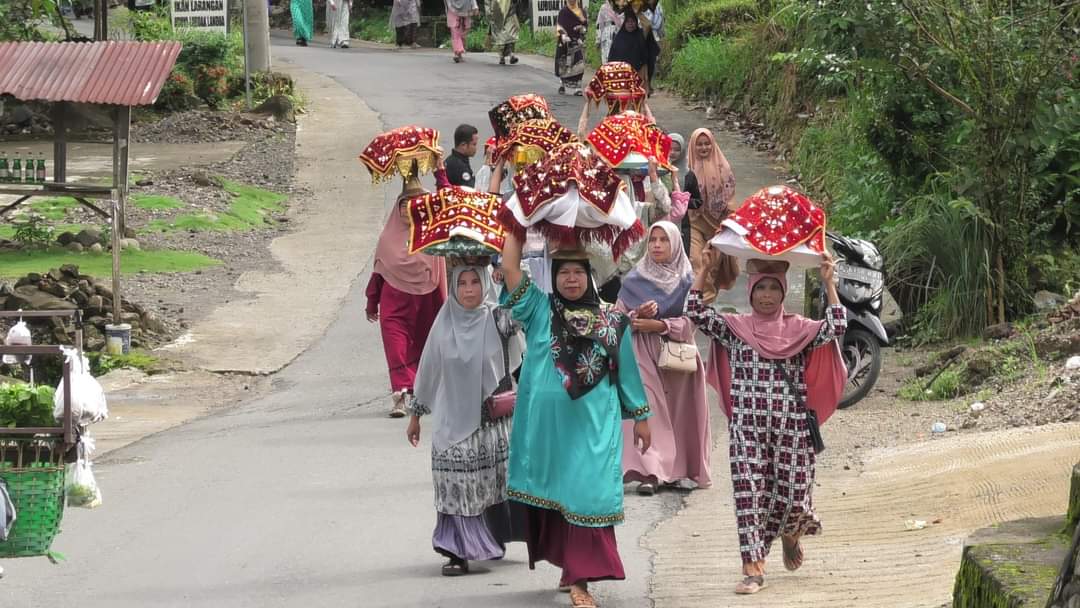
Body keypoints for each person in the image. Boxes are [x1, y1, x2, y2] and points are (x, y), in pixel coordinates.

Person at [498, 231, 652, 608]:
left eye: (577, 272)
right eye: (562, 272)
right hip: (548, 430)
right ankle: (572, 570)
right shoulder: (538, 310)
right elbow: (508, 267)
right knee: (563, 496)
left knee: (589, 495)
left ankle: (581, 580)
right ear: (553, 276)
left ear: (589, 275)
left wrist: (642, 416)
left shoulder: (613, 319)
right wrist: (515, 225)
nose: (570, 279)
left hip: (595, 426)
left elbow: (628, 371)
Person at [687, 251, 846, 595]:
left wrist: (829, 283)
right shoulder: (736, 329)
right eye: (761, 288)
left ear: (783, 292)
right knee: (749, 494)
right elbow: (695, 313)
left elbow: (837, 326)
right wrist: (702, 271)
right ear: (751, 291)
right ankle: (753, 568)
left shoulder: (800, 330)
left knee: (792, 495)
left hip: (792, 430)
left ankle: (790, 532)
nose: (767, 295)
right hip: (747, 429)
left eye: (774, 288)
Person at [405, 264, 524, 576]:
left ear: (485, 283)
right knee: (454, 485)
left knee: (490, 485)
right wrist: (416, 415)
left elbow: (526, 346)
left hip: (492, 422)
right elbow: (428, 369)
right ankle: (457, 551)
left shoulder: (499, 317)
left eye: (475, 282)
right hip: (451, 420)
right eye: (462, 283)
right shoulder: (443, 323)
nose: (469, 289)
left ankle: (493, 537)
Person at [617, 221, 710, 495]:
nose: (657, 245)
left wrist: (660, 325)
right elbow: (616, 318)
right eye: (653, 240)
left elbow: (692, 323)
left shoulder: (687, 280)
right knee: (648, 408)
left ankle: (675, 469)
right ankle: (650, 471)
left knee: (677, 413)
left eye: (663, 240)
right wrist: (636, 317)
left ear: (675, 244)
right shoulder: (634, 279)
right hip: (640, 352)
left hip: (675, 354)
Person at [365, 168, 448, 418]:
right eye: (404, 205)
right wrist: (372, 304)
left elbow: (447, 199)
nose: (408, 209)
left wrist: (439, 167)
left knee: (424, 348)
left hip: (426, 302)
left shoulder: (432, 236)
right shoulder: (387, 238)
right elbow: (378, 272)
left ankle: (420, 392)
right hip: (394, 305)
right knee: (396, 347)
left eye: (414, 204)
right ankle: (400, 395)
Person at [685, 127, 739, 304]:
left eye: (707, 144)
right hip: (695, 222)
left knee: (713, 265)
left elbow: (730, 193)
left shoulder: (724, 167)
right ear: (693, 147)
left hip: (718, 223)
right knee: (696, 259)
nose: (703, 148)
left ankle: (709, 297)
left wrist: (728, 212)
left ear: (712, 144)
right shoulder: (686, 169)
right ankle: (703, 301)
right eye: (699, 145)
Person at [607, 8, 659, 95]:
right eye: (628, 22)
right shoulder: (619, 38)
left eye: (633, 21)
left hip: (639, 72)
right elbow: (612, 59)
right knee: (625, 99)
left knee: (638, 98)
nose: (630, 24)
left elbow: (647, 25)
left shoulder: (641, 34)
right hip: (623, 75)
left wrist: (637, 11)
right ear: (624, 23)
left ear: (636, 22)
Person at [555, 0, 588, 95]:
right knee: (564, 64)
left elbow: (585, 26)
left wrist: (581, 29)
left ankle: (578, 87)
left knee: (579, 64)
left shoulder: (582, 12)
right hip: (564, 41)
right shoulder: (563, 12)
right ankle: (562, 85)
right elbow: (559, 26)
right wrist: (563, 36)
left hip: (577, 41)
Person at [487, 0, 520, 65]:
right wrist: (490, 14)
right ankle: (502, 57)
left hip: (508, 13)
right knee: (502, 37)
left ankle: (511, 55)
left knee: (511, 35)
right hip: (498, 14)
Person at [595, 0, 621, 65]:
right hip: (606, 33)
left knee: (617, 57)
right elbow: (599, 24)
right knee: (606, 58)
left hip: (618, 32)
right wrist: (598, 39)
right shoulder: (603, 7)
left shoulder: (620, 7)